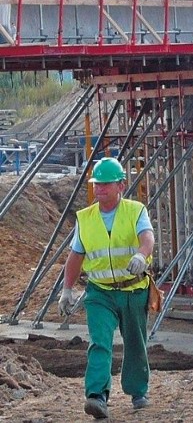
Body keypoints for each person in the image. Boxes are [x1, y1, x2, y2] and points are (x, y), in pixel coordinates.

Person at [57, 157, 155, 419]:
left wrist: (141, 255)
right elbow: (76, 256)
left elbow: (147, 237)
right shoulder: (85, 218)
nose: (99, 189)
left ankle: (138, 392)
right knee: (100, 342)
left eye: (105, 184)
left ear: (120, 185)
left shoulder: (136, 210)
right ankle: (97, 396)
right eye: (96, 184)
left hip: (133, 290)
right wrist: (67, 289)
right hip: (100, 292)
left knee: (135, 342)